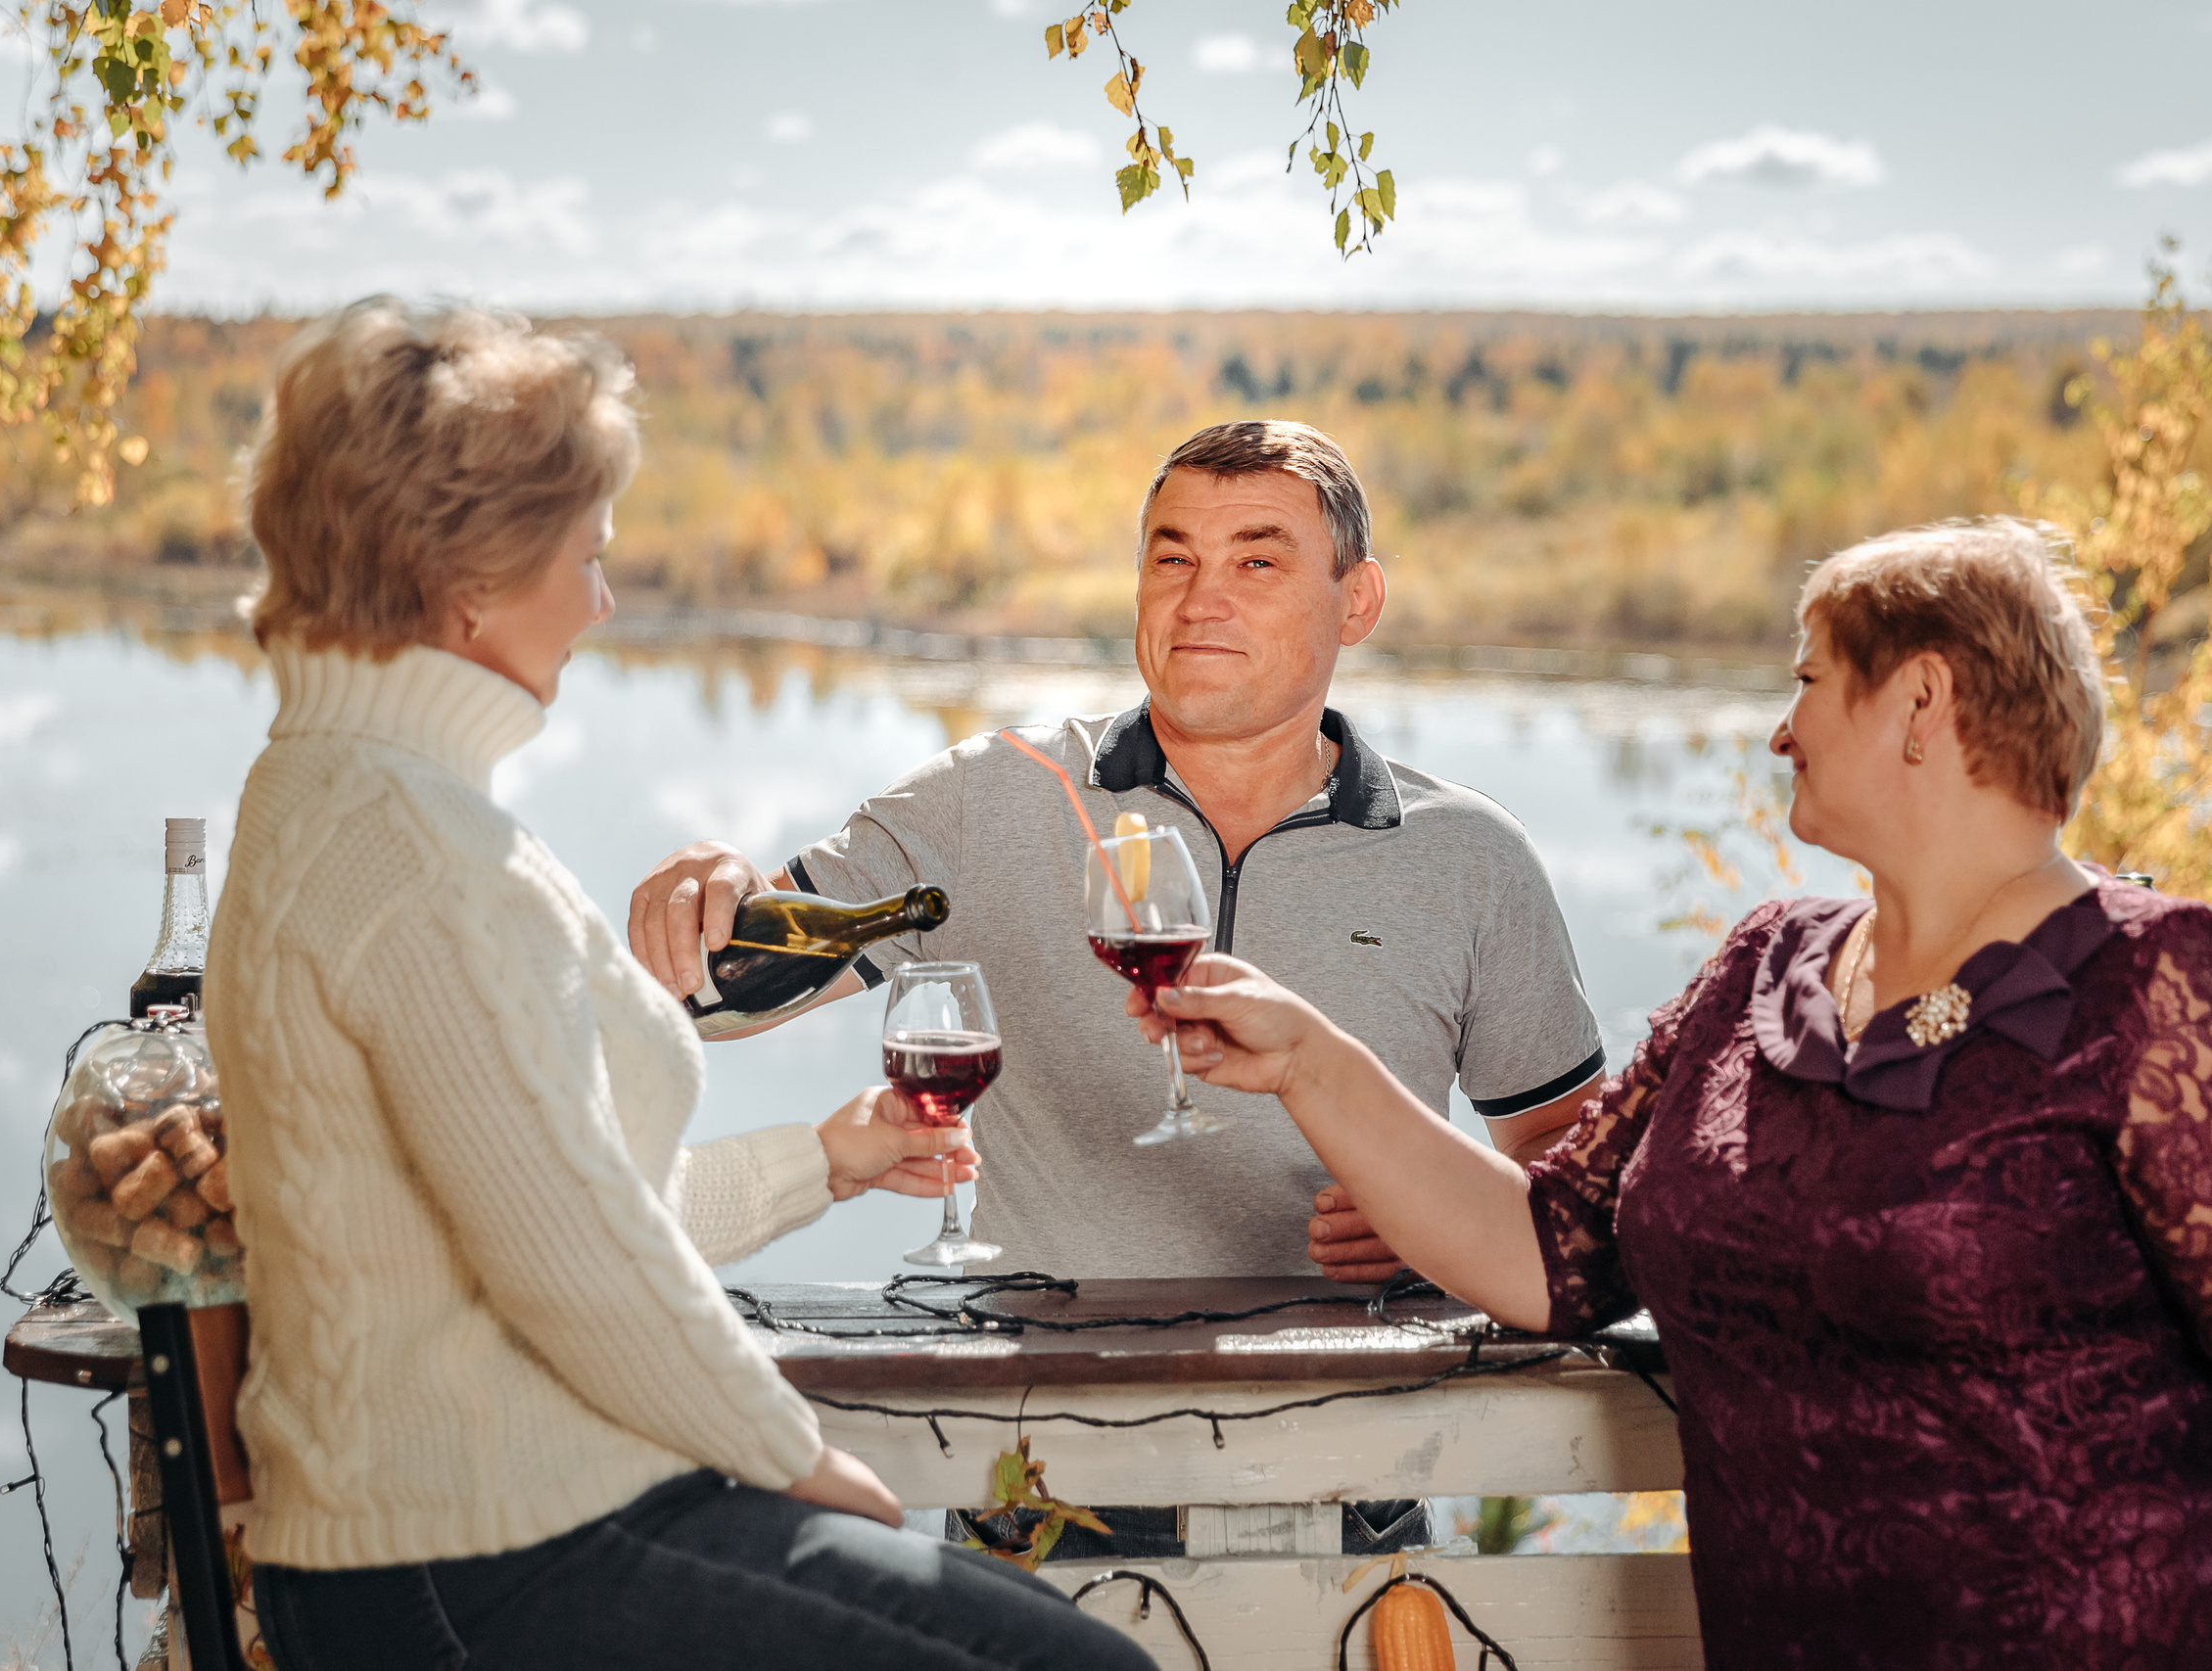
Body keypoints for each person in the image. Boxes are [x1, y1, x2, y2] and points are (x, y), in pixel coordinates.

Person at [1135, 518, 2212, 1670]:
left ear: (1922, 698)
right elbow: (1548, 1250)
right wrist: (1309, 1056)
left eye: (1806, 681)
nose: (1779, 728)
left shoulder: (2169, 983)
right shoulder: (1762, 965)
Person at [204, 299, 1154, 1671]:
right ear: (465, 579)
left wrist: (819, 1163)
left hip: (457, 1543)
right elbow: (572, 1258)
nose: (602, 599)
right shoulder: (417, 848)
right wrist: (798, 1458)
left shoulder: (333, 796)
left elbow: (544, 1194)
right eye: (584, 556)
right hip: (482, 1562)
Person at [627, 418, 1607, 1561]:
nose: (1201, 598)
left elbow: (1567, 1161)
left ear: (1357, 602)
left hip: (1352, 1483)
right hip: (1038, 1486)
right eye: (1171, 556)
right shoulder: (991, 797)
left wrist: (1440, 1223)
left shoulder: (1472, 858)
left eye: (1258, 560)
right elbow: (727, 991)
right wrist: (709, 893)